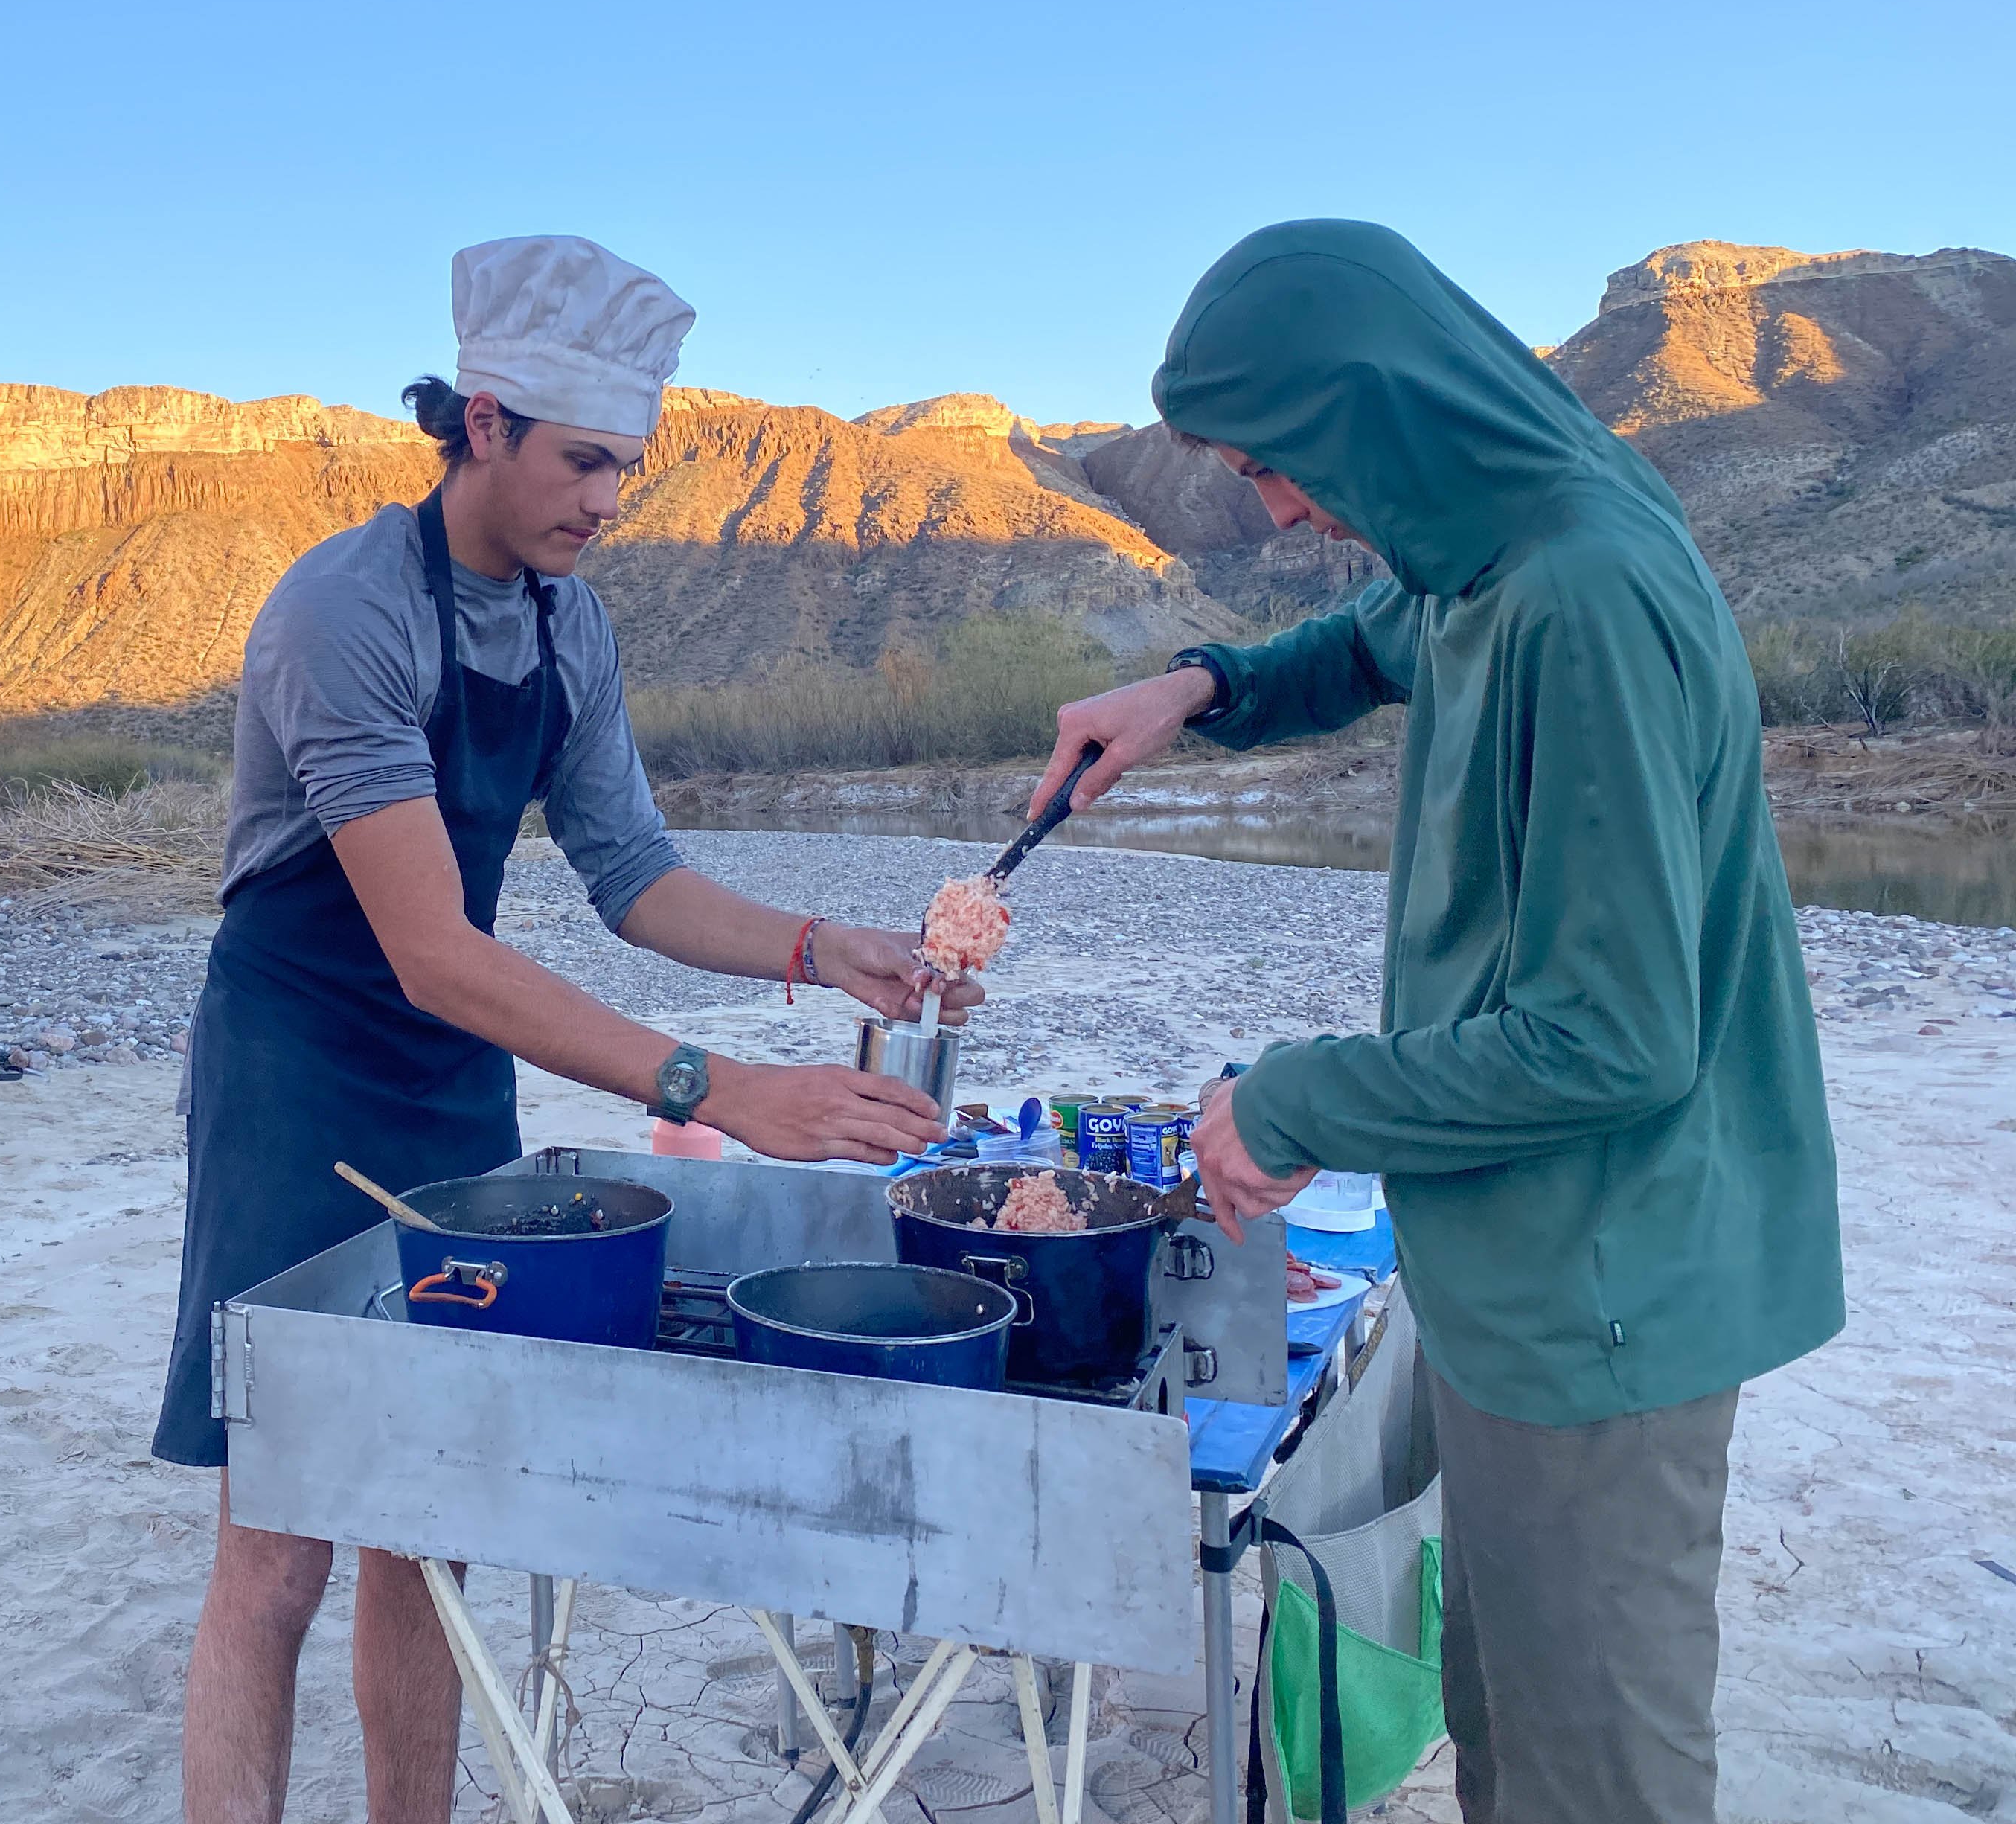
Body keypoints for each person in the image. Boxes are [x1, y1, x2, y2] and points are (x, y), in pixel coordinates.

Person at [1033, 220, 1843, 1824]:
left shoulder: (1583, 596)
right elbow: (1367, 645)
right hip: (1526, 1275)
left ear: (1373, 413)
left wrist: (1293, 1103)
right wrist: (1195, 687)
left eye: (1277, 463)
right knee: (1506, 1716)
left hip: (1610, 1297)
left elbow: (1614, 1039)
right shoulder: (1489, 557)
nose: (1274, 506)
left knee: (1593, 1767)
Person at [156, 233, 966, 1824]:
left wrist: (826, 949)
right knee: (280, 1537)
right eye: (586, 461)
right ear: (485, 418)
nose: (609, 501)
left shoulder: (567, 626)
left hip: (448, 1075)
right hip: (299, 1059)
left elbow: (633, 874)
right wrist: (716, 1087)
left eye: (631, 471)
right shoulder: (345, 615)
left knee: (432, 1519)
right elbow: (435, 950)